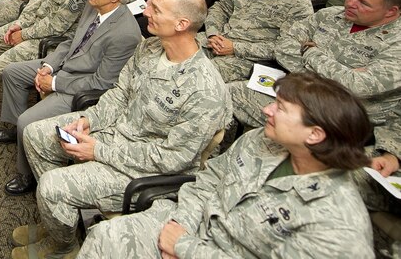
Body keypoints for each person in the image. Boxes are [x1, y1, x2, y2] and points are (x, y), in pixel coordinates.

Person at [9, 0, 230, 259]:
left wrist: (99, 151)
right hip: (115, 132)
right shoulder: (150, 48)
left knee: (53, 187)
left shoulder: (205, 89)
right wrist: (88, 120)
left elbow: (175, 159)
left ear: (182, 24)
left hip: (144, 167)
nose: (145, 11)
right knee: (35, 133)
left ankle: (62, 246)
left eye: (156, 9)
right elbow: (118, 94)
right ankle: (62, 221)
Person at [78, 73, 375, 259]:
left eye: (280, 108)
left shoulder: (338, 225)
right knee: (105, 237)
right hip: (190, 223)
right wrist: (182, 223)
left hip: (212, 250)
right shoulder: (263, 139)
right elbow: (208, 178)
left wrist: (185, 248)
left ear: (315, 134)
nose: (265, 109)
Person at [0, 0, 142, 196]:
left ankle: (27, 174)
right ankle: (16, 131)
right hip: (63, 66)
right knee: (12, 72)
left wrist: (53, 83)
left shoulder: (125, 33)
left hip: (78, 84)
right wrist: (48, 65)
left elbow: (101, 83)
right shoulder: (95, 7)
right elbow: (71, 41)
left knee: (28, 121)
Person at [231, 0, 401, 133]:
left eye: (363, 3)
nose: (350, 3)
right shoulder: (329, 15)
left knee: (227, 97)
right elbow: (283, 45)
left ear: (391, 12)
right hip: (296, 93)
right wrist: (332, 74)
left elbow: (358, 85)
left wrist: (311, 52)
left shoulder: (396, 43)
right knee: (224, 93)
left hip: (337, 118)